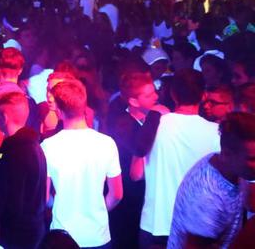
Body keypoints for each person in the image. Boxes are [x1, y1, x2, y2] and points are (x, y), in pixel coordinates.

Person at [132, 71, 221, 249]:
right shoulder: (216, 132)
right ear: (203, 96)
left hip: (157, 224)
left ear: (173, 94)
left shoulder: (154, 125)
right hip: (198, 227)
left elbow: (136, 174)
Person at [41, 80, 123, 249]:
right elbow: (116, 194)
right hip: (98, 236)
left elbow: (44, 196)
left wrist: (55, 205)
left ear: (59, 111)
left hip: (62, 237)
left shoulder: (48, 146)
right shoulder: (107, 143)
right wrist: (98, 211)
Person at [169, 112, 255, 249]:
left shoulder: (226, 165)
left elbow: (247, 196)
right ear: (227, 154)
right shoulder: (208, 199)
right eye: (252, 159)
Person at [105, 70, 167, 249]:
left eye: (154, 92)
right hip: (129, 200)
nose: (156, 97)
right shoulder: (121, 123)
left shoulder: (161, 119)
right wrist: (155, 116)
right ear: (133, 101)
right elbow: (139, 148)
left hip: (150, 196)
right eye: (148, 95)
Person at [0, 91, 47, 249]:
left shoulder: (15, 152)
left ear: (4, 118)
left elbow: (12, 200)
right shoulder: (35, 146)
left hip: (18, 236)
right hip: (34, 229)